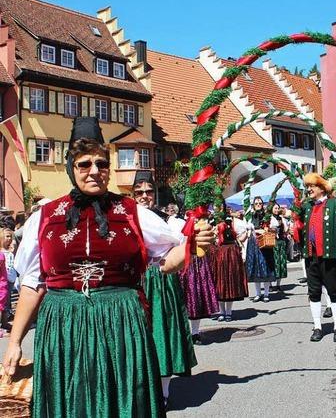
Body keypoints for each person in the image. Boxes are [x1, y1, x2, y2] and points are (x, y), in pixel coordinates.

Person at [0, 117, 215, 417]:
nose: (94, 171)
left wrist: (192, 245)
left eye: (101, 164)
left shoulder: (132, 213)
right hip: (64, 325)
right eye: (84, 164)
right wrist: (15, 342)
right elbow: (32, 285)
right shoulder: (45, 217)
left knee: (124, 400)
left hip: (121, 322)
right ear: (71, 168)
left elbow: (166, 260)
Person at [133, 171, 196, 409]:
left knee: (162, 330)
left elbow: (181, 249)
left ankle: (164, 390)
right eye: (139, 192)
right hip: (135, 280)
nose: (144, 196)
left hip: (161, 279)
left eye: (148, 191)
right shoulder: (126, 218)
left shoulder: (167, 221)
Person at [302, 173, 336, 343]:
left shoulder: (335, 205)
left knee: (333, 292)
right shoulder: (307, 207)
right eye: (307, 186)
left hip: (329, 257)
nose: (309, 189)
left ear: (321, 187)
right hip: (311, 257)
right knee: (313, 292)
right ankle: (317, 327)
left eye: (312, 186)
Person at [213, 201, 249, 321]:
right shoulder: (212, 220)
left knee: (229, 282)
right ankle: (221, 311)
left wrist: (240, 241)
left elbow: (243, 233)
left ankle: (228, 312)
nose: (218, 208)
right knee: (219, 283)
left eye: (220, 205)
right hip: (217, 253)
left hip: (230, 253)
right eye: (216, 206)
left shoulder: (232, 220)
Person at [245, 197, 273, 301]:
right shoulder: (250, 216)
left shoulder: (267, 216)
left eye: (260, 203)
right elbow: (247, 227)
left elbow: (273, 226)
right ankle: (258, 293)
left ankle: (266, 294)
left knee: (265, 267)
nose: (258, 204)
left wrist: (265, 230)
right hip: (253, 243)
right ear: (253, 204)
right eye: (256, 203)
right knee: (256, 268)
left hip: (264, 243)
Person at [269, 203, 289, 292]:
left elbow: (285, 230)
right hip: (273, 242)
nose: (276, 210)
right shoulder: (269, 218)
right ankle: (269, 285)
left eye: (278, 208)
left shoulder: (281, 218)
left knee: (281, 263)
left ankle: (278, 284)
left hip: (281, 241)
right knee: (273, 263)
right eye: (275, 208)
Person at [0, 226, 16, 329]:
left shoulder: (11, 249)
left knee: (7, 302)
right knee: (3, 304)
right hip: (3, 280)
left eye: (11, 236)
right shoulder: (1, 251)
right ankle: (4, 323)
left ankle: (5, 322)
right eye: (7, 236)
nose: (9, 238)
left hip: (11, 278)